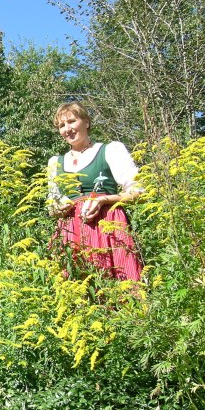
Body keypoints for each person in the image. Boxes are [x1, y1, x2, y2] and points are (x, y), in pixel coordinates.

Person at [47, 101, 143, 281]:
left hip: (109, 226)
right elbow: (51, 205)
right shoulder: (55, 163)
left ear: (87, 122)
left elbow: (138, 192)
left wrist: (103, 200)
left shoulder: (110, 150)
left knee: (120, 283)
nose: (67, 129)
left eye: (72, 121)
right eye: (62, 125)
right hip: (70, 232)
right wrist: (57, 210)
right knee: (75, 287)